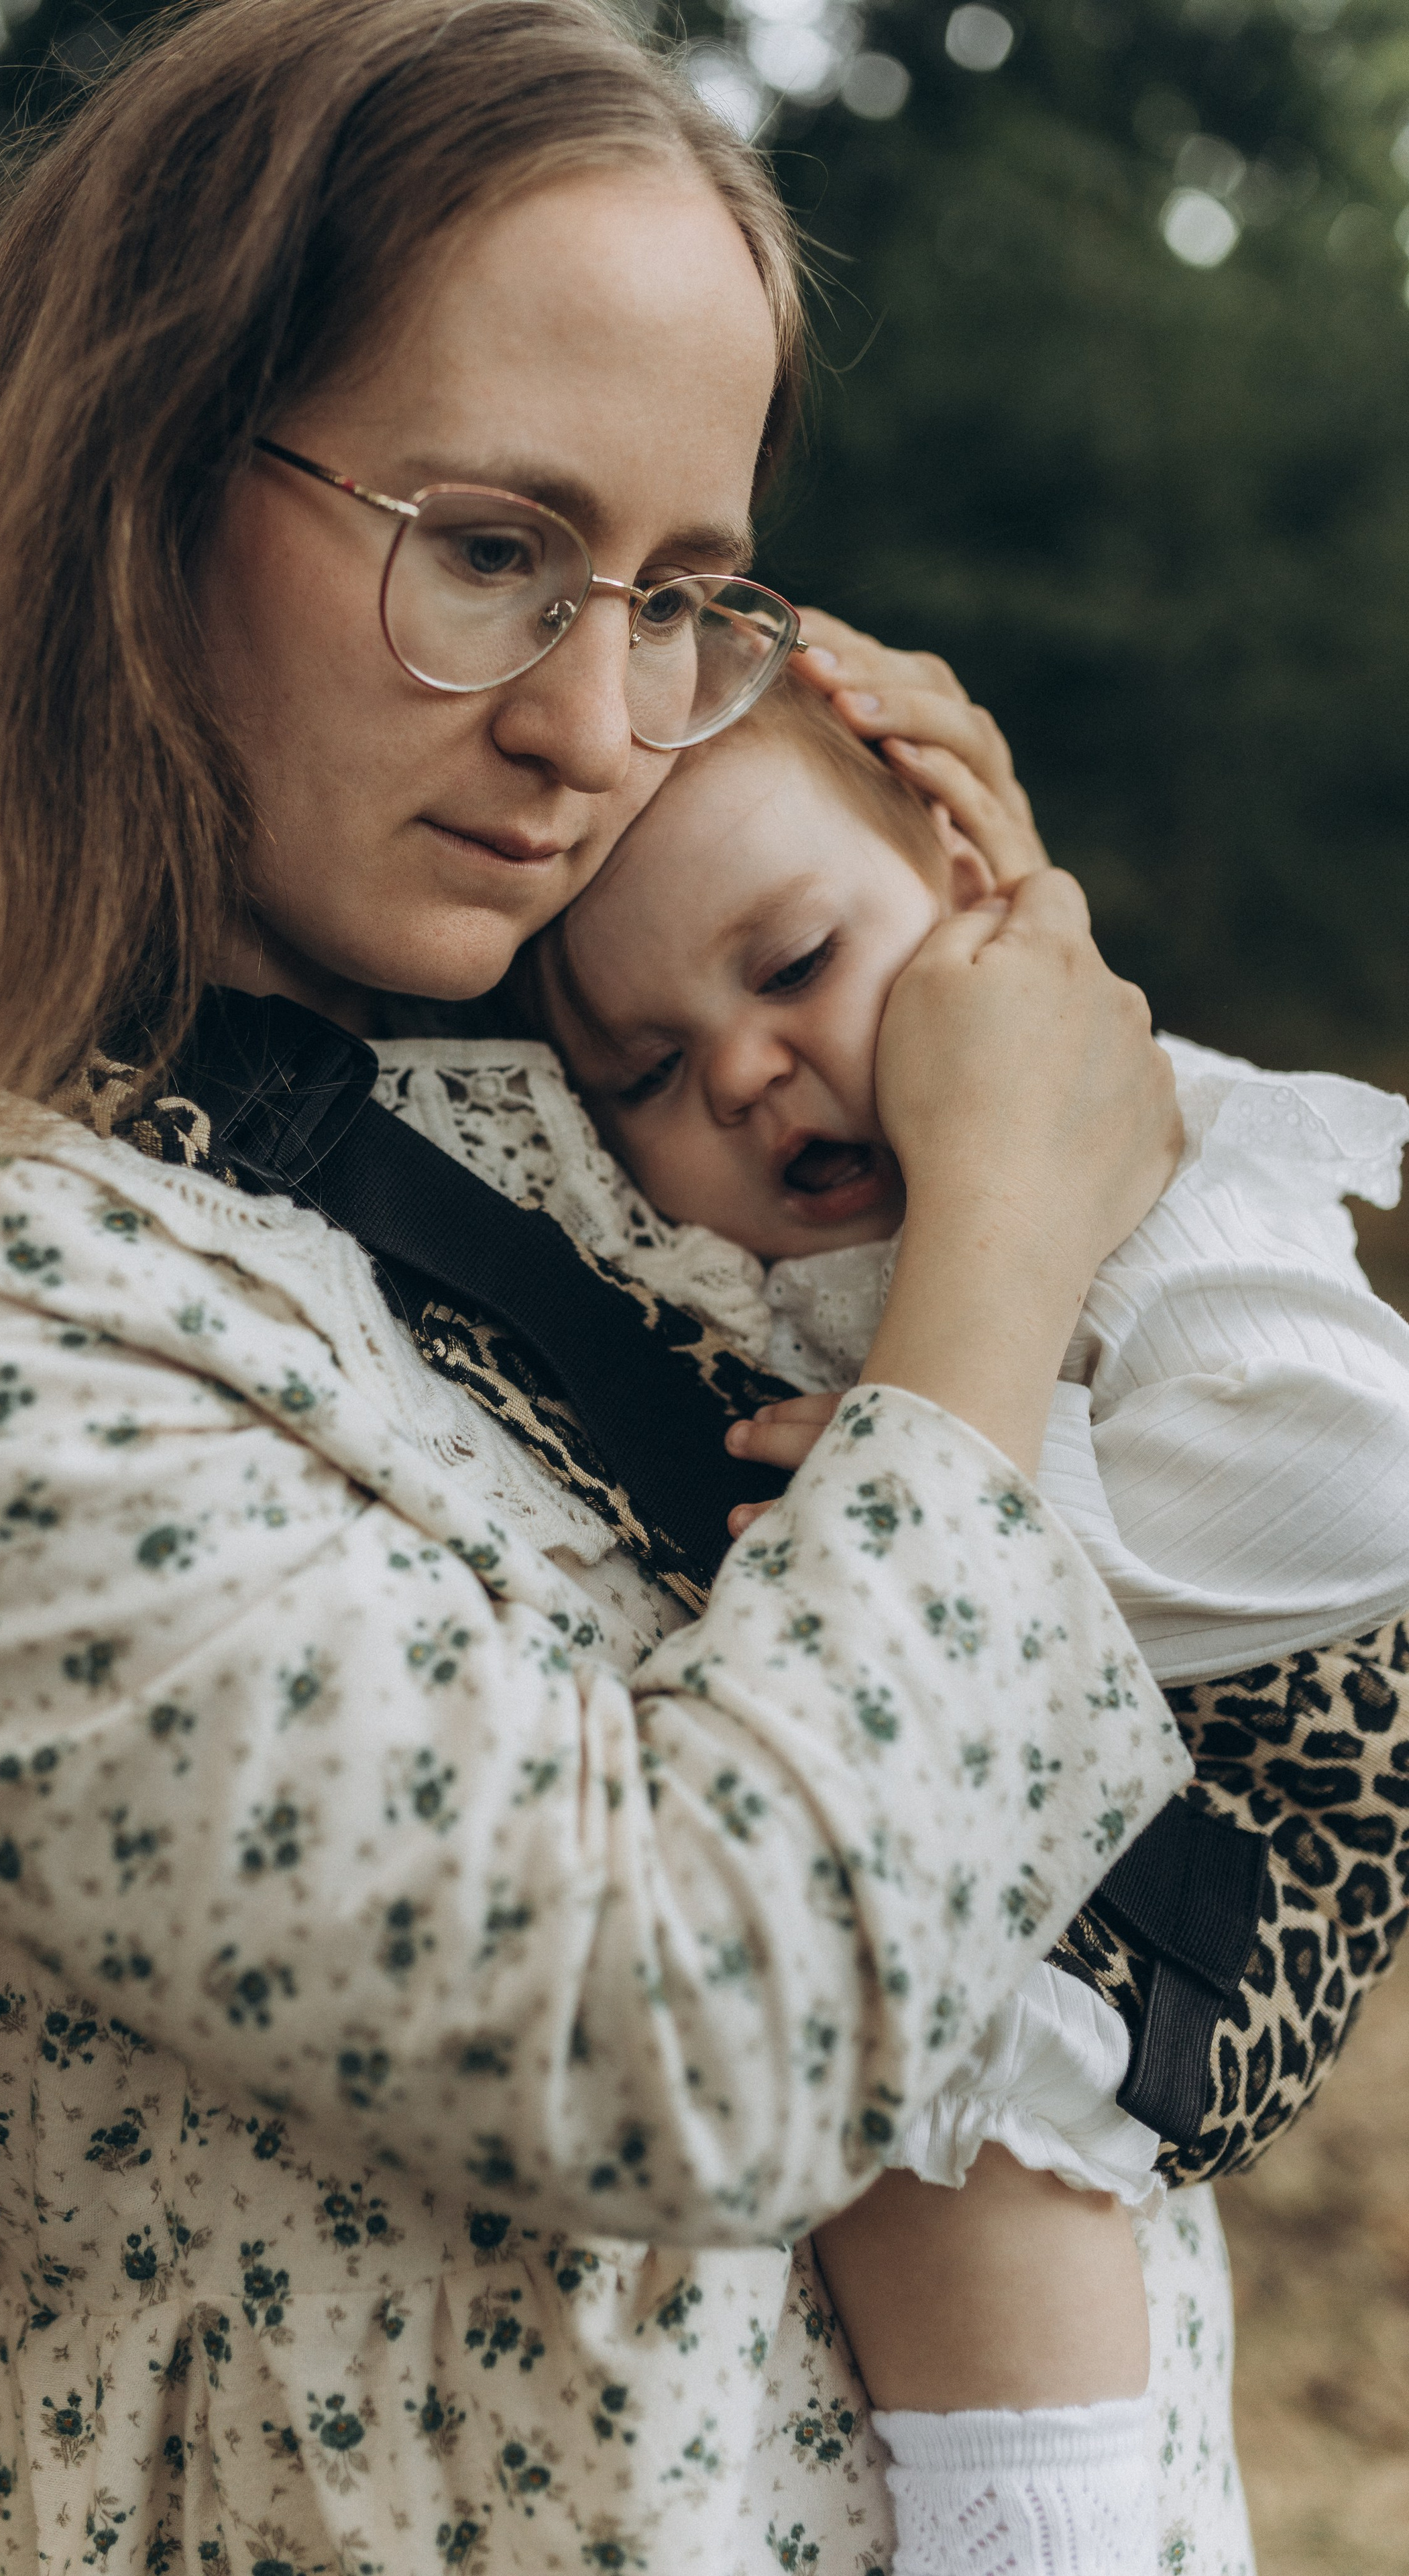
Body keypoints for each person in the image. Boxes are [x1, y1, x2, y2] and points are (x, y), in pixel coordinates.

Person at [0, 5, 1236, 2572]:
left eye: (684, 594)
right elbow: (698, 2046)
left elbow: (1105, 1816)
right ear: (137, 478)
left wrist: (956, 993)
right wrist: (989, 1257)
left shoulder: (576, 1110)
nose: (600, 727)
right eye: (498, 549)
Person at [527, 671, 1409, 2571]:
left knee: (970, 2091)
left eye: (795, 961)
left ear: (972, 879)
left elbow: (1358, 1487)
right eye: (649, 1078)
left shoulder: (1165, 1158)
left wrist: (964, 1463)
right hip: (1049, 1789)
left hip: (1245, 1814)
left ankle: (1046, 2539)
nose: (747, 1070)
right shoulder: (785, 1257)